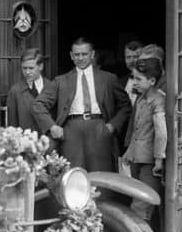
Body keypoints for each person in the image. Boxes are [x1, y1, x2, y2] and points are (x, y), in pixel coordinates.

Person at [32, 37, 131, 172]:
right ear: (71, 56)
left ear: (92, 55)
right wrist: (52, 126)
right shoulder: (61, 80)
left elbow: (125, 105)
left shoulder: (109, 79)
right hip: (71, 129)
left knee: (101, 173)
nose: (80, 58)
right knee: (73, 173)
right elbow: (38, 105)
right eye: (77, 54)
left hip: (99, 127)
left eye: (84, 54)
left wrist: (113, 125)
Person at [121, 57, 167, 221]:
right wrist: (129, 151)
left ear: (152, 80)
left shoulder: (158, 100)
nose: (135, 82)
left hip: (150, 162)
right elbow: (136, 129)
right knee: (139, 200)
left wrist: (159, 159)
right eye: (133, 78)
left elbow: (161, 133)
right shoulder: (141, 98)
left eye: (139, 79)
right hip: (137, 158)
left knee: (141, 206)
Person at [5, 48, 49, 133]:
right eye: (24, 68)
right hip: (26, 142)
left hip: (49, 142)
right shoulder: (15, 91)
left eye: (31, 68)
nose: (27, 72)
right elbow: (12, 125)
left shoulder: (52, 87)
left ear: (40, 67)